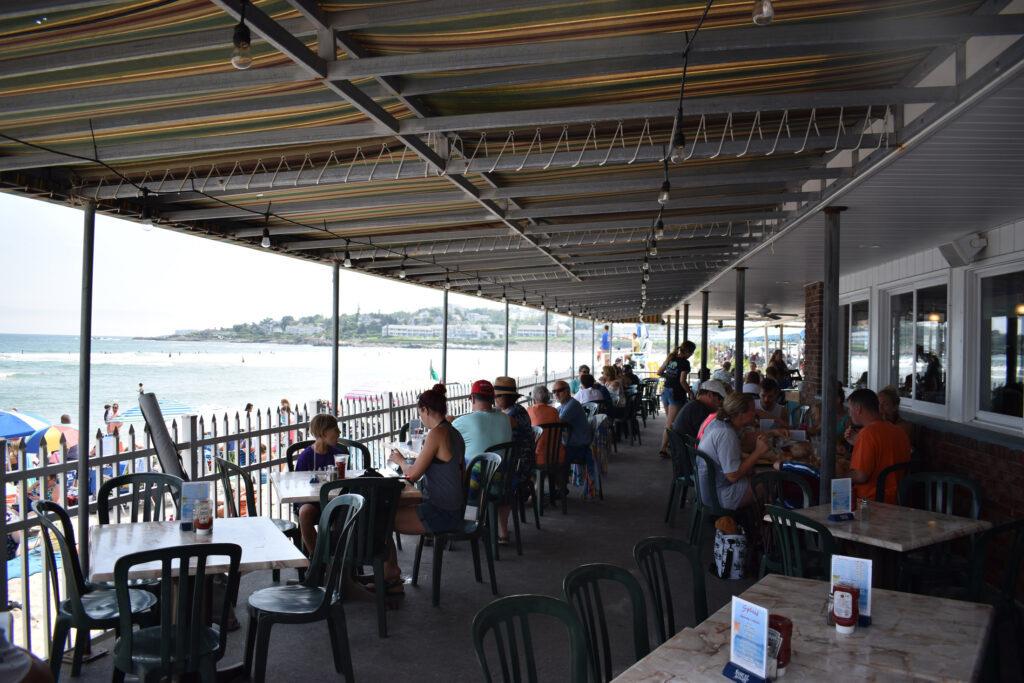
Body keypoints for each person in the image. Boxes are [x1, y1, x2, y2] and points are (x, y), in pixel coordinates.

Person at [385, 384, 466, 592]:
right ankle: (390, 573)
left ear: (426, 410)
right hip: (455, 507)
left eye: (420, 413)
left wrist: (400, 460)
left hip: (441, 511)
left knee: (381, 519)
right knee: (390, 509)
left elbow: (412, 474)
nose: (420, 417)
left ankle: (391, 577)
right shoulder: (454, 432)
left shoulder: (436, 434)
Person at [697, 393, 773, 510]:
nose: (755, 413)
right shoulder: (726, 434)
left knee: (756, 474)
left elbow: (745, 439)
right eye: (752, 410)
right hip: (717, 496)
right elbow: (733, 476)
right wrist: (757, 452)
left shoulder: (721, 422)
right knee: (771, 482)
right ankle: (760, 524)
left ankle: (751, 521)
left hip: (709, 488)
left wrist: (773, 433)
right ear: (741, 415)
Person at [844, 388, 912, 503]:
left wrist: (833, 475)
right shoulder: (898, 431)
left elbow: (861, 476)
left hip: (871, 501)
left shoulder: (867, 433)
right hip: (899, 499)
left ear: (858, 409)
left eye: (850, 410)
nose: (850, 415)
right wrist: (858, 444)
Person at [294, 413, 347, 554]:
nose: (339, 432)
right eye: (335, 429)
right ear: (324, 433)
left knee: (348, 511)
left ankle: (339, 558)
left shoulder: (338, 454)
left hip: (335, 499)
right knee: (304, 513)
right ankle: (317, 558)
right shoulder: (306, 457)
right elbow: (298, 485)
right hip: (312, 501)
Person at [493, 376, 534, 545]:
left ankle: (494, 527)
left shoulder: (512, 415)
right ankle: (495, 526)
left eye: (497, 396)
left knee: (485, 477)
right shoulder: (513, 411)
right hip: (518, 462)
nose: (494, 399)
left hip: (518, 467)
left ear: (505, 397)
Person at [451, 380, 512, 460]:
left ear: (472, 399)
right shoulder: (506, 418)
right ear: (493, 399)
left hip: (475, 471)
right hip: (504, 470)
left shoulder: (462, 422)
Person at [657, 341, 696, 458]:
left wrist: (669, 377)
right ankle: (663, 449)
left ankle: (668, 443)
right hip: (676, 393)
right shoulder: (685, 363)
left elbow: (659, 372)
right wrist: (690, 392)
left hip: (666, 390)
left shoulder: (671, 358)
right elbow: (682, 381)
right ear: (688, 352)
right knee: (670, 424)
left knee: (670, 422)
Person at [552, 380, 592, 462]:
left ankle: (562, 474)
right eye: (554, 391)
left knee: (550, 455)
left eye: (559, 390)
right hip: (572, 444)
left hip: (579, 447)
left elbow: (557, 425)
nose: (556, 394)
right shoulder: (562, 407)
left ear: (567, 391)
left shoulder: (572, 405)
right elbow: (552, 418)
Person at [527, 385, 564, 467]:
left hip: (538, 458)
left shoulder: (529, 410)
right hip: (557, 455)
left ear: (533, 400)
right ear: (547, 399)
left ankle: (535, 479)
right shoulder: (554, 411)